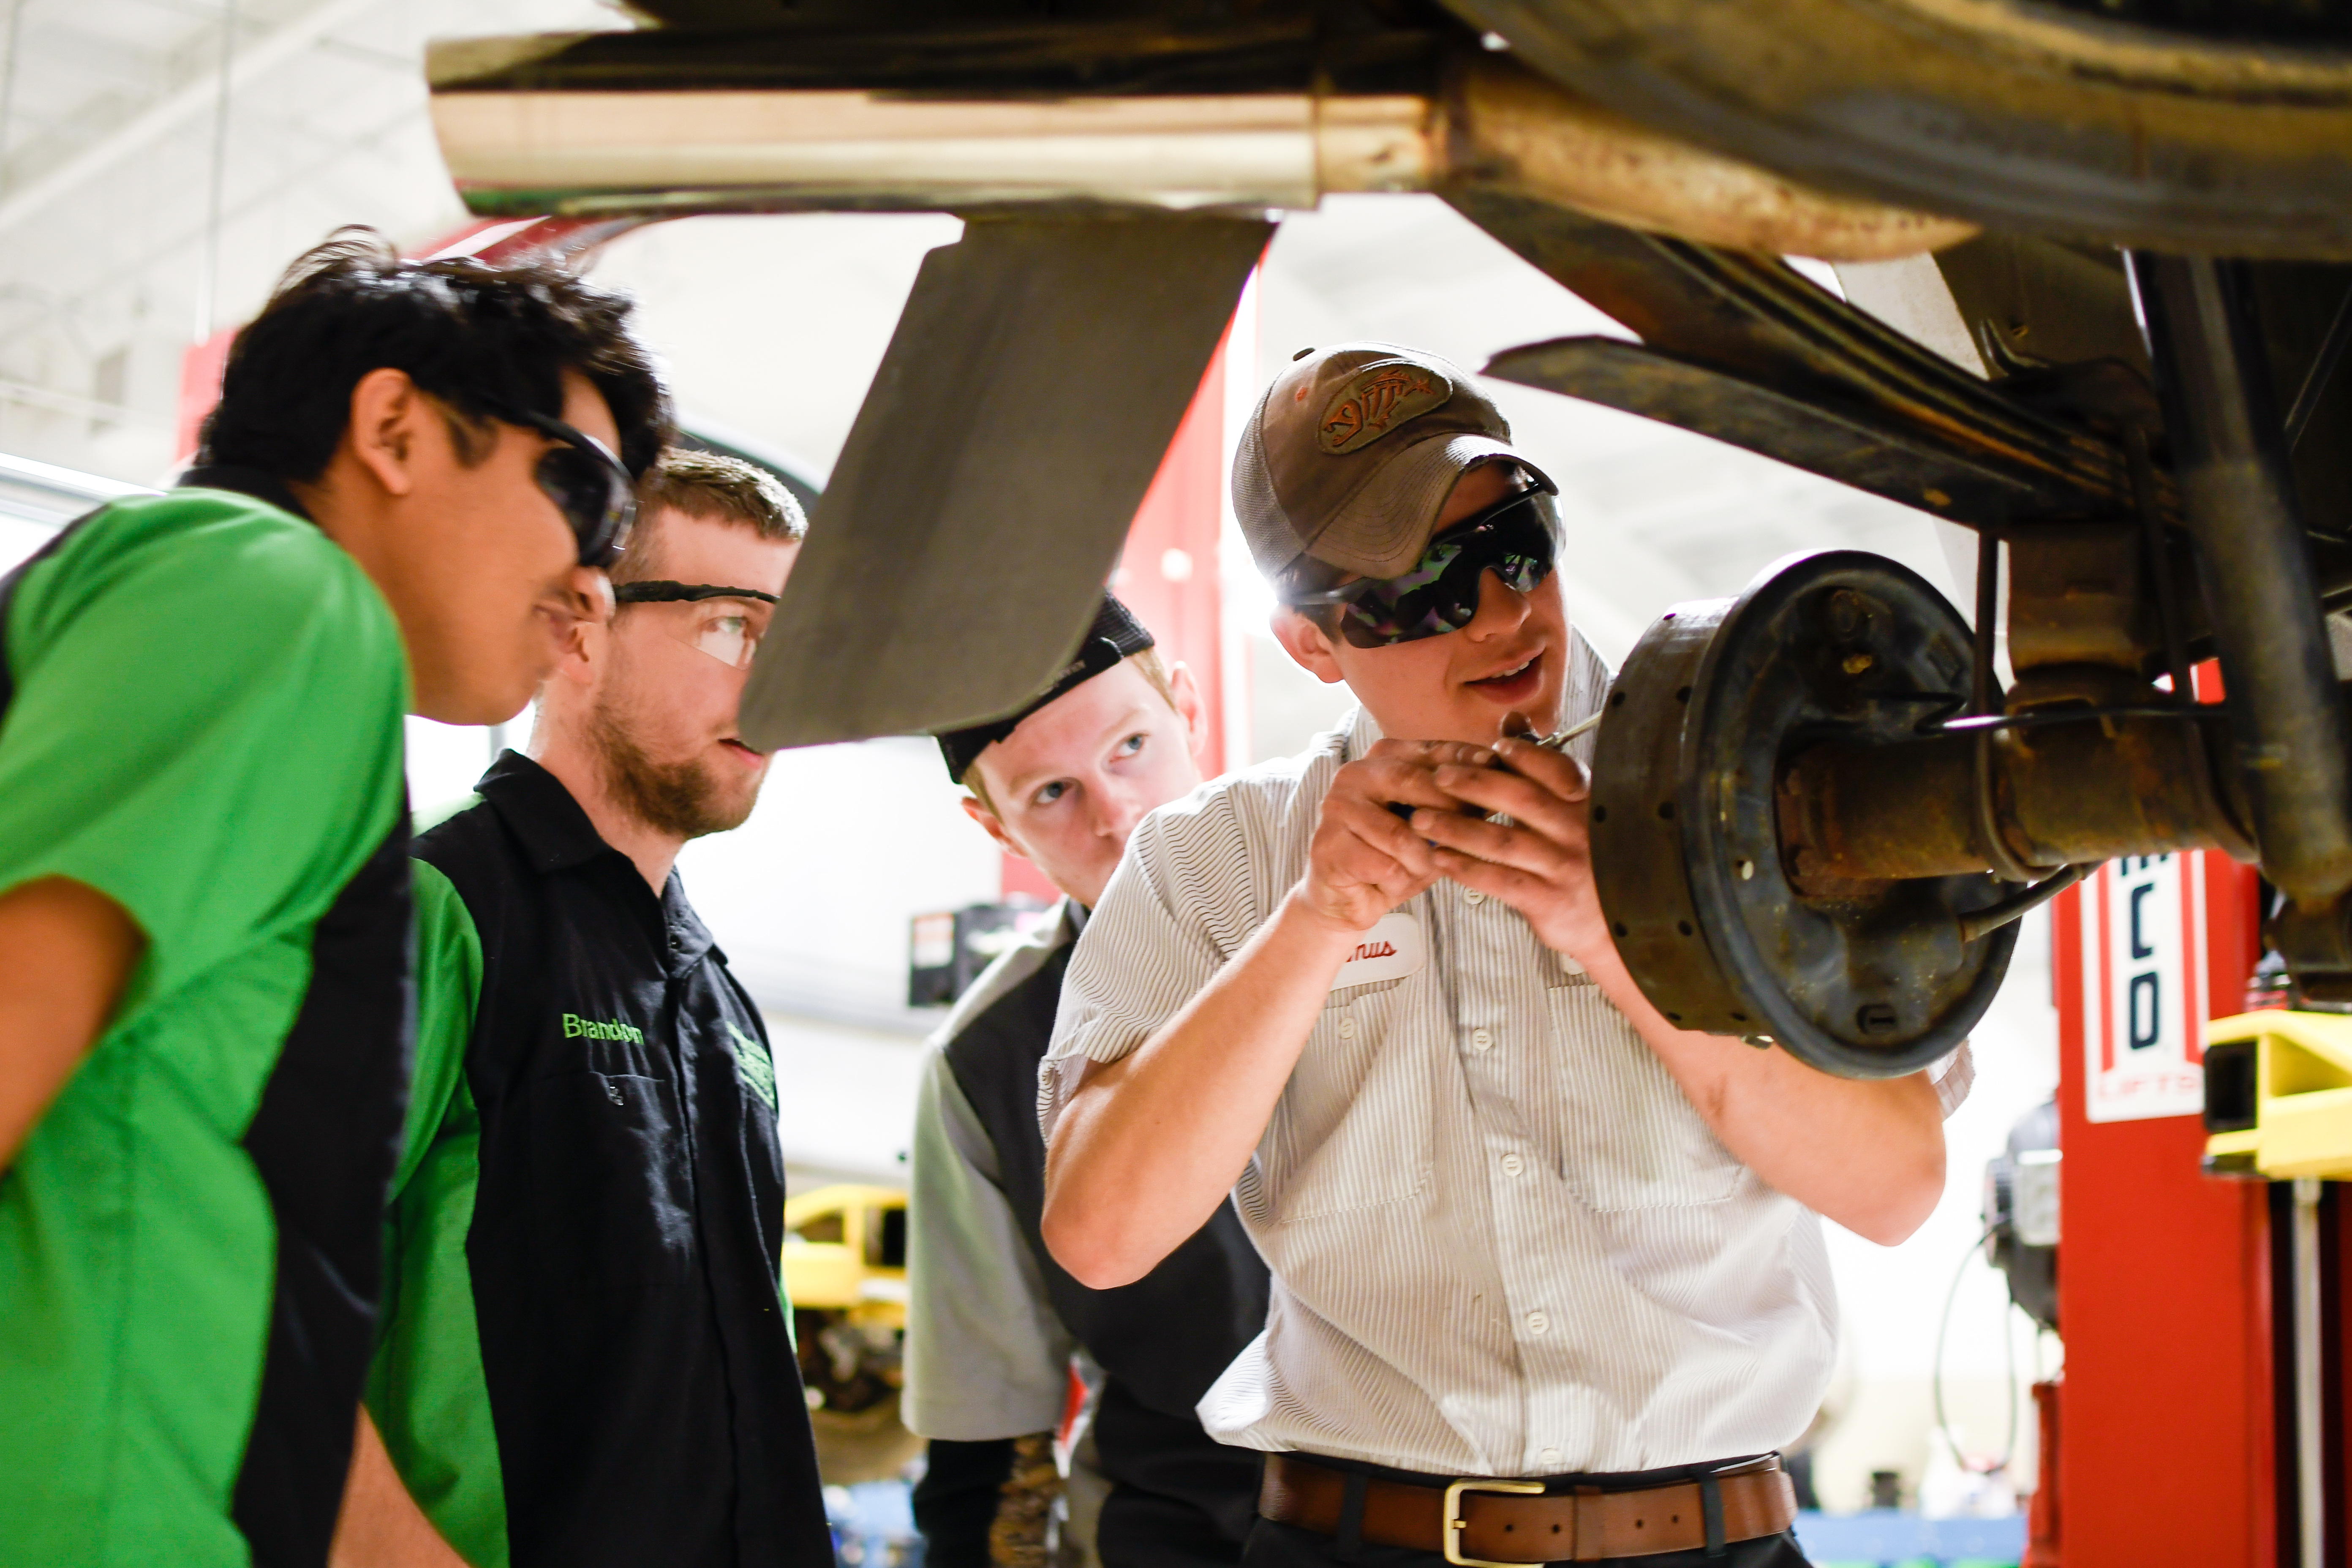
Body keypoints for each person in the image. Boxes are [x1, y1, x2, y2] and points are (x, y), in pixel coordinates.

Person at [1039, 345, 1972, 1568]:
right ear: (1312, 644)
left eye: (1513, 547)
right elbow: (1103, 1233)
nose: (1497, 615)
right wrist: (1315, 921)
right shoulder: (1218, 859)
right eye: (1417, 594)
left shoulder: (1757, 791)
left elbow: (1895, 1187)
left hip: (1705, 1538)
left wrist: (1619, 925)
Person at [0, 230, 665, 1568]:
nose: (597, 580)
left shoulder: (194, 623)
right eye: (581, 496)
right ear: (396, 426)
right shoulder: (272, 591)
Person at [346, 449, 827, 1568]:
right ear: (581, 627)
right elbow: (266, 1312)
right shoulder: (433, 910)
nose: (774, 685)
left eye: (789, 641)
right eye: (729, 629)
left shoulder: (721, 1000)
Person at [905, 595, 1273, 1568]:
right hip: (1175, 1532)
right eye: (1052, 794)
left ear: (1186, 706)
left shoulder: (1392, 913)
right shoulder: (983, 1064)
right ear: (991, 820)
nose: (1119, 816)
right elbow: (991, 1444)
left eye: (1130, 746)